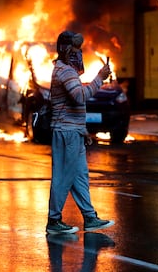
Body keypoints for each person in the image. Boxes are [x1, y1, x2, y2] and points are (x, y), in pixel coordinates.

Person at [46, 30, 115, 234]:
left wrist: (82, 129)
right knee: (63, 177)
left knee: (79, 176)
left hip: (73, 131)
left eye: (79, 50)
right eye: (75, 50)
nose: (78, 54)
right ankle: (54, 221)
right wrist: (99, 78)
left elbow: (73, 105)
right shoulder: (65, 71)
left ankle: (90, 217)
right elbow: (79, 96)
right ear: (65, 50)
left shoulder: (66, 70)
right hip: (66, 133)